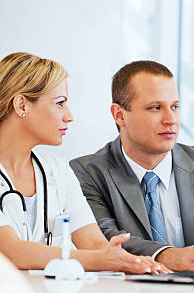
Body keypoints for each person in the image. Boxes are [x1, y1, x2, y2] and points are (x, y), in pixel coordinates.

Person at [70, 60, 194, 272]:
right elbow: (102, 240)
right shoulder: (87, 173)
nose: (171, 119)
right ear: (119, 115)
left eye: (175, 107)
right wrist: (171, 256)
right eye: (155, 108)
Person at [0, 52, 165, 273]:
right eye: (60, 103)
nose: (69, 116)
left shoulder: (58, 171)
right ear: (22, 105)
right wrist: (101, 260)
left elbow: (94, 244)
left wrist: (125, 259)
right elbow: (12, 251)